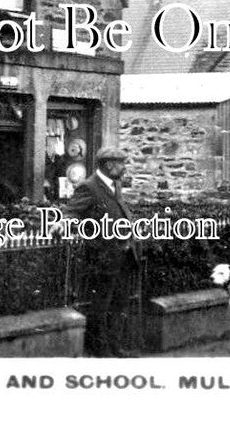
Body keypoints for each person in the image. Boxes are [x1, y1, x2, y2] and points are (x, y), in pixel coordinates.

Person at [64, 146, 141, 357]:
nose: (124, 168)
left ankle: (116, 347)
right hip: (103, 257)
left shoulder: (114, 185)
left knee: (119, 303)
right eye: (121, 164)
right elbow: (71, 211)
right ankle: (100, 350)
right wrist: (62, 224)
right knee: (101, 304)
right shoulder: (89, 187)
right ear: (109, 165)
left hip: (123, 255)